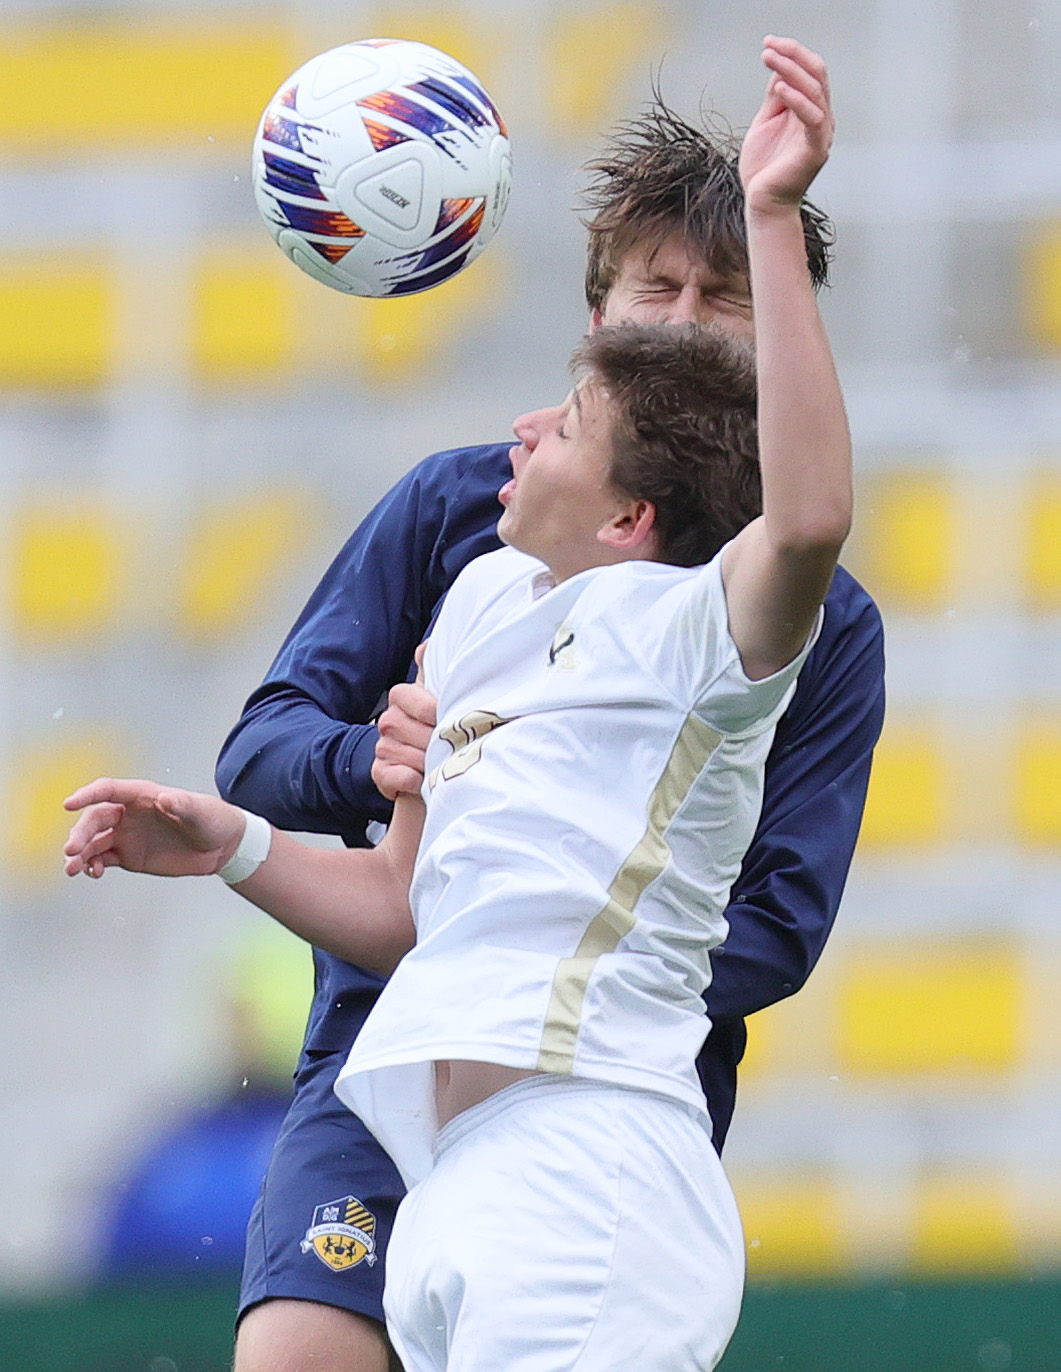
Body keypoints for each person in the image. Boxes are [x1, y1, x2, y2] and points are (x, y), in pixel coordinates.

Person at [66, 37, 856, 1371]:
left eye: (717, 299)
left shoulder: (732, 624)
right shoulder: (476, 571)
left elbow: (771, 912)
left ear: (630, 508)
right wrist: (258, 830)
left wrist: (579, 949)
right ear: (594, 309)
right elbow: (366, 851)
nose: (673, 322)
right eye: (648, 289)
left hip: (588, 1113)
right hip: (412, 1081)